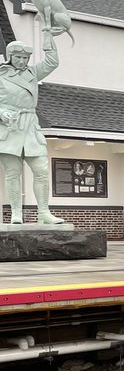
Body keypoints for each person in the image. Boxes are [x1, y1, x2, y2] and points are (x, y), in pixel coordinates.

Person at [0, 27, 65, 225]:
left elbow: (52, 62)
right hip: (9, 128)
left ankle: (44, 212)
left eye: (25, 58)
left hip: (30, 126)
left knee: (42, 170)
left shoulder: (32, 73)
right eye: (18, 57)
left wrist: (48, 37)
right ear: (10, 56)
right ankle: (16, 213)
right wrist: (1, 113)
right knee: (12, 173)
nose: (22, 61)